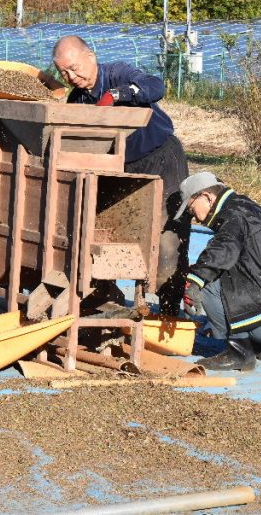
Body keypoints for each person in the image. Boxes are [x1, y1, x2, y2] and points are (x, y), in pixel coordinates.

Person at [52, 35, 189, 314]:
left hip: (161, 157)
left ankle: (169, 310)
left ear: (90, 55)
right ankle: (109, 299)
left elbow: (155, 86)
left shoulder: (117, 74)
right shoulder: (77, 99)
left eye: (75, 68)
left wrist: (117, 95)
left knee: (167, 236)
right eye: (64, 72)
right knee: (109, 230)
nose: (71, 76)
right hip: (121, 170)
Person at [175, 171, 261, 371]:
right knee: (236, 270)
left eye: (192, 210)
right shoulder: (248, 207)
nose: (196, 220)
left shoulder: (232, 216)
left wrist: (194, 281)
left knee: (208, 284)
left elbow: (222, 250)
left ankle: (240, 351)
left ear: (207, 197)